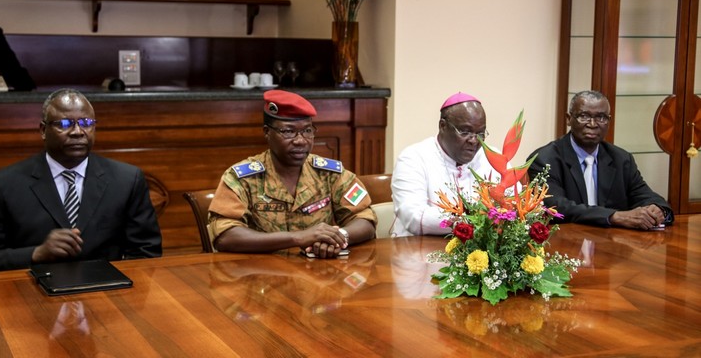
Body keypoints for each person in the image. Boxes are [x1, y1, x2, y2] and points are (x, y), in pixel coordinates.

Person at [0, 89, 161, 275]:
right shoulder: (3, 184)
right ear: (43, 130)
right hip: (30, 299)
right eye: (64, 124)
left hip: (106, 297)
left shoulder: (127, 180)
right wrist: (35, 254)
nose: (77, 132)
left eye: (86, 123)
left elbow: (147, 253)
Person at [208, 89, 377, 258]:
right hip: (260, 275)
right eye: (288, 132)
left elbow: (365, 219)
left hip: (318, 275)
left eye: (307, 131)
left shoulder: (330, 174)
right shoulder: (241, 178)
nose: (300, 140)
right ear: (267, 132)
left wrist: (337, 238)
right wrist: (298, 238)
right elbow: (225, 235)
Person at [527, 90, 673, 230]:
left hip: (613, 245)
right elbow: (556, 207)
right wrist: (613, 216)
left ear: (609, 121)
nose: (592, 124)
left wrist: (658, 209)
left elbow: (645, 195)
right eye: (583, 116)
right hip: (567, 243)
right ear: (568, 119)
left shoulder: (621, 159)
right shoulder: (544, 159)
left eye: (601, 117)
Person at [391, 92, 500, 237]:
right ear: (442, 126)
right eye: (465, 131)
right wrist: (472, 221)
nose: (474, 140)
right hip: (418, 251)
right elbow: (414, 217)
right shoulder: (413, 158)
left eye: (480, 133)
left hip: (480, 256)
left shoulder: (493, 157)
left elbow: (514, 204)